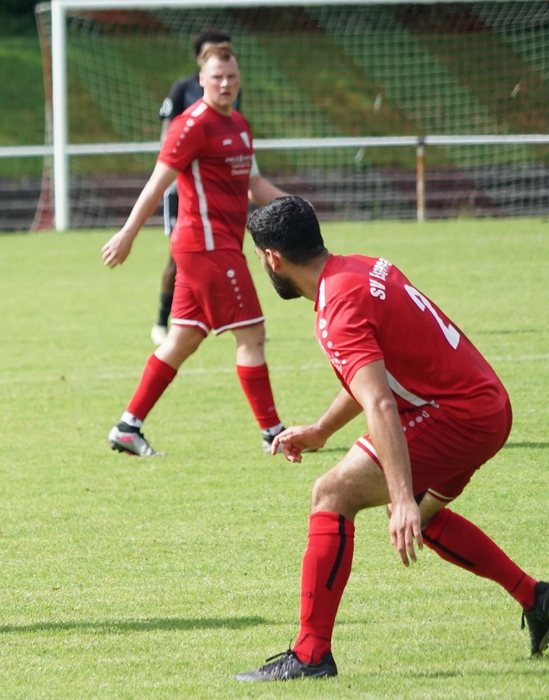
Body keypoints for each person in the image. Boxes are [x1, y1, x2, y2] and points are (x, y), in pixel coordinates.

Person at [236, 195, 549, 681]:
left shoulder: (336, 309)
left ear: (272, 258)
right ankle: (538, 599)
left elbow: (380, 403)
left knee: (331, 493)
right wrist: (321, 430)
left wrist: (401, 498)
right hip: (486, 404)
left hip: (458, 416)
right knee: (425, 514)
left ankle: (311, 654)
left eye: (259, 258)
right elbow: (375, 377)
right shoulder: (360, 268)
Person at [102, 44, 289, 457]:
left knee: (183, 338)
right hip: (206, 247)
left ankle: (127, 427)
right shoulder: (191, 126)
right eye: (217, 77)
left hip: (215, 247)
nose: (225, 83)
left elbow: (255, 186)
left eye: (232, 76)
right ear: (201, 80)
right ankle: (272, 433)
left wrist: (296, 207)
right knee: (252, 334)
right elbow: (157, 183)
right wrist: (128, 233)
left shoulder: (239, 124)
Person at [153, 29, 240, 346]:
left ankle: (234, 319)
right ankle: (162, 321)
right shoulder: (184, 89)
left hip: (219, 191)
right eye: (214, 52)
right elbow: (168, 137)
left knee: (227, 252)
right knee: (178, 257)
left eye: (227, 51)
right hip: (183, 189)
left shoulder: (230, 88)